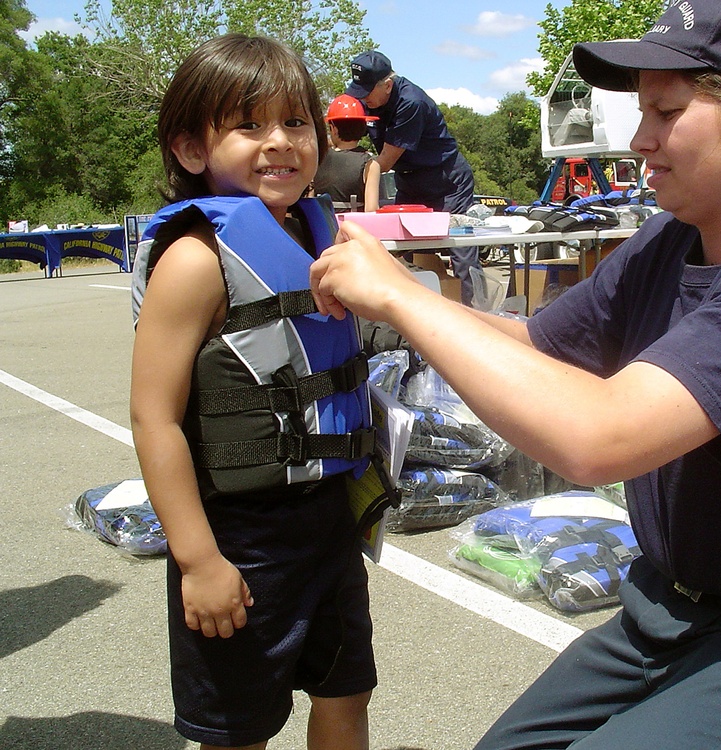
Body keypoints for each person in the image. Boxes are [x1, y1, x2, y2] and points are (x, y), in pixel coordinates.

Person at [310, 1, 721, 747]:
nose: (640, 141)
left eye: (665, 112)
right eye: (641, 113)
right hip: (670, 610)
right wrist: (388, 311)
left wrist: (402, 297)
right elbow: (531, 345)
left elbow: (596, 438)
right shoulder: (671, 241)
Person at [129, 34, 376, 750]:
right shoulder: (195, 260)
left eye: (296, 123)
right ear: (190, 149)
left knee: (346, 692)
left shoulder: (323, 237)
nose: (281, 143)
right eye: (249, 126)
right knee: (238, 731)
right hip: (240, 538)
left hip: (326, 523)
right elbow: (153, 418)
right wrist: (199, 561)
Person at [345, 49, 482, 306]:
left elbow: (384, 161)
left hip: (446, 180)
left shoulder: (411, 102)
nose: (361, 99)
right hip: (409, 180)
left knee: (461, 251)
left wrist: (347, 168)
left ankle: (478, 315)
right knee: (396, 247)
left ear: (387, 85)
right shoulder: (366, 99)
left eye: (366, 92)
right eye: (357, 91)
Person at [314, 94, 381, 211]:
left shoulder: (317, 158)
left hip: (322, 226)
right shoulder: (370, 164)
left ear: (333, 129)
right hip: (351, 226)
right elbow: (371, 209)